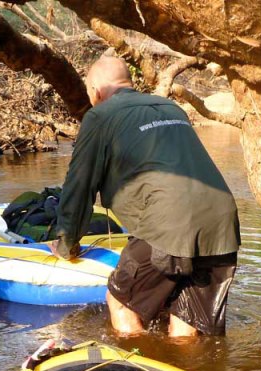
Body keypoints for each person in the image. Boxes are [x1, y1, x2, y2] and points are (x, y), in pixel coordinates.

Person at [51, 56, 240, 337]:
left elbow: (79, 186)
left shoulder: (100, 116)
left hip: (169, 225)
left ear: (96, 91)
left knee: (121, 302)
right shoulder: (171, 108)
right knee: (187, 324)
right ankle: (186, 364)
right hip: (222, 225)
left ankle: (134, 362)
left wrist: (67, 243)